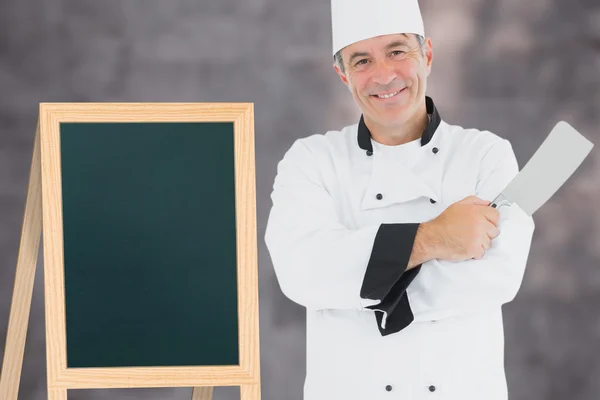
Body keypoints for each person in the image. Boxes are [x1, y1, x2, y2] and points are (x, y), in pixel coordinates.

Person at [264, 0, 535, 399]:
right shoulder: (311, 161)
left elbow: (499, 275)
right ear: (342, 74)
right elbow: (301, 270)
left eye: (397, 51)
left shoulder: (486, 154)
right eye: (361, 61)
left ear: (426, 54)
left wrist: (362, 288)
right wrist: (435, 238)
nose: (384, 75)